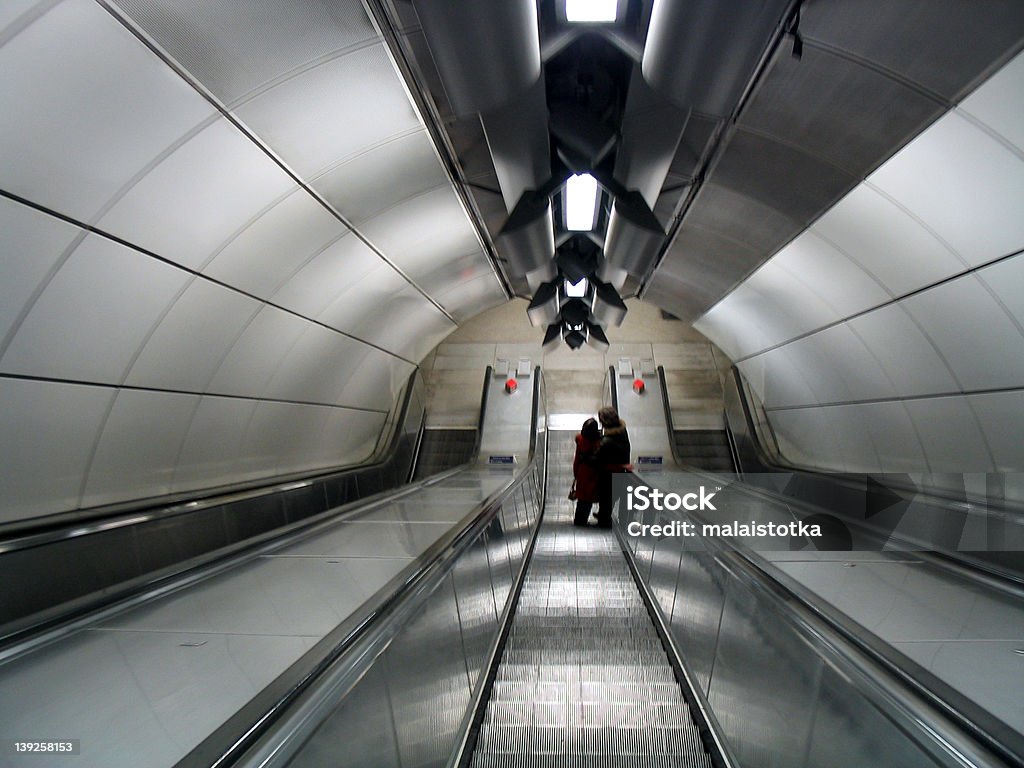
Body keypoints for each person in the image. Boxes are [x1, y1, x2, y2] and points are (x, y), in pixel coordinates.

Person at [594, 406, 630, 529]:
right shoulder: (623, 432)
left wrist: (585, 457)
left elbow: (597, 459)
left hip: (608, 474)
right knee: (616, 499)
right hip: (622, 472)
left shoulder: (607, 441)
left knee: (606, 500)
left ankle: (604, 522)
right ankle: (622, 523)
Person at [571, 417, 601, 527]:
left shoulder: (580, 439)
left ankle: (579, 520)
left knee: (582, 499)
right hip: (593, 473)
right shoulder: (598, 442)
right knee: (589, 497)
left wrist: (576, 473)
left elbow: (577, 460)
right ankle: (586, 519)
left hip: (582, 472)